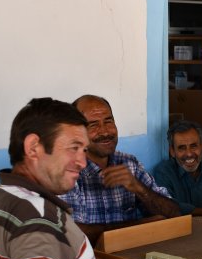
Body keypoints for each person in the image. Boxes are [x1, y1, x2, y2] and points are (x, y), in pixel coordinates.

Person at [0, 98, 119, 259]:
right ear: (33, 147)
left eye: (84, 150)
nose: (82, 163)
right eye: (73, 148)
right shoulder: (39, 219)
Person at [59, 94, 180, 244]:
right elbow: (69, 234)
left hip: (133, 258)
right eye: (93, 125)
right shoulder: (68, 170)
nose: (105, 132)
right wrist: (137, 227)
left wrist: (138, 187)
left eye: (108, 121)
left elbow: (173, 214)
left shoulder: (129, 163)